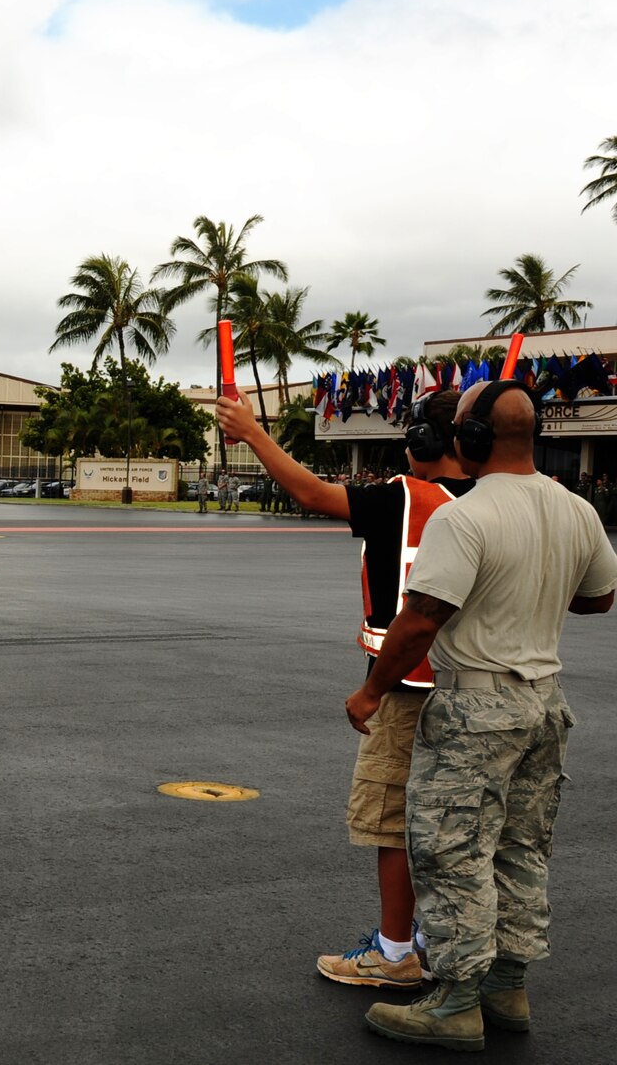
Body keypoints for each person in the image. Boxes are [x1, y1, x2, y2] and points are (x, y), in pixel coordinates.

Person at [343, 381, 617, 1050]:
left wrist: (372, 691)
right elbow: (600, 597)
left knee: (453, 848)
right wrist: (533, 590)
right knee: (520, 848)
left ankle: (457, 999)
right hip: (544, 701)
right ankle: (507, 985)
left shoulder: (463, 519)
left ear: (471, 441)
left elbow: (419, 620)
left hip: (478, 705)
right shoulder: (577, 510)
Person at [216, 389, 473, 991]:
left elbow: (309, 492)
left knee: (393, 820)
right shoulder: (501, 502)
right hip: (486, 686)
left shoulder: (406, 498)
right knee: (472, 824)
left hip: (408, 686)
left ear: (422, 444)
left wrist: (254, 433)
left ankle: (394, 951)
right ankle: (472, 955)